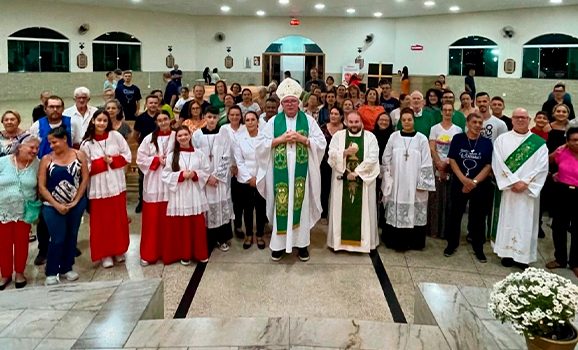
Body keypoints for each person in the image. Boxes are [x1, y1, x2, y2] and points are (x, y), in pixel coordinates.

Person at [256, 78, 327, 261]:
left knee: (300, 207)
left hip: (301, 175)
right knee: (279, 205)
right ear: (282, 103)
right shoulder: (273, 122)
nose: (290, 104)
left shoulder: (309, 121)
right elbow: (261, 145)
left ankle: (302, 245)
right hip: (279, 173)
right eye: (286, 101)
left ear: (299, 103)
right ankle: (278, 245)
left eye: (293, 101)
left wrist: (302, 139)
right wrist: (280, 139)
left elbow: (321, 143)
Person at [492, 108, 549, 269]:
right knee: (508, 220)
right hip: (509, 191)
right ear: (512, 119)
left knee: (526, 222)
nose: (520, 120)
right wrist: (513, 182)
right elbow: (499, 163)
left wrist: (525, 183)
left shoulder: (538, 144)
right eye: (517, 117)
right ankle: (507, 254)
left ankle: (522, 257)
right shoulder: (502, 140)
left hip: (527, 192)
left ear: (529, 119)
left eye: (524, 117)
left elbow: (542, 167)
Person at [29, 96, 82, 266]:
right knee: (45, 215)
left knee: (71, 214)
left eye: (58, 106)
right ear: (45, 109)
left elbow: (76, 145)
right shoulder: (37, 125)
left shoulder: (71, 123)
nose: (55, 110)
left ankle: (70, 245)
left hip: (68, 172)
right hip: (46, 172)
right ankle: (43, 249)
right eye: (51, 107)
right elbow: (33, 149)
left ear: (63, 108)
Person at [80, 110, 131, 268]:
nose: (102, 123)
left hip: (116, 184)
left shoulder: (116, 136)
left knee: (118, 219)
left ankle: (119, 250)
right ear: (93, 121)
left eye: (104, 120)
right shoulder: (87, 144)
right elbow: (84, 167)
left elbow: (127, 155)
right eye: (99, 120)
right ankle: (105, 254)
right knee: (101, 223)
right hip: (98, 187)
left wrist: (113, 160)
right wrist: (101, 163)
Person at [381, 107, 435, 251]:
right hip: (397, 181)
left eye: (409, 119)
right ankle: (395, 242)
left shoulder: (421, 139)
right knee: (396, 209)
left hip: (415, 182)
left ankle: (415, 242)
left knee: (415, 210)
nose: (406, 122)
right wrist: (387, 177)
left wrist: (423, 183)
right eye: (404, 120)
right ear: (400, 122)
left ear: (413, 120)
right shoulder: (394, 137)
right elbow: (386, 158)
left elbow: (426, 161)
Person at [39, 127, 88, 285]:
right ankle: (52, 271)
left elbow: (84, 180)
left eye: (54, 142)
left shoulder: (79, 155)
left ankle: (67, 267)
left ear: (64, 139)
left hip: (76, 204)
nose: (52, 146)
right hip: (52, 206)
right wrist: (56, 204)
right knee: (58, 238)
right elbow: (42, 186)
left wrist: (76, 201)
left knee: (71, 236)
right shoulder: (47, 159)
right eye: (49, 143)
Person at [327, 112, 379, 252]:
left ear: (361, 122)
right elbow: (331, 154)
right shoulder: (338, 136)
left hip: (362, 181)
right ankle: (339, 243)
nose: (354, 125)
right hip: (341, 180)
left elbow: (373, 158)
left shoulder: (370, 137)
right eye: (351, 122)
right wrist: (344, 153)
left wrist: (357, 173)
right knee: (340, 208)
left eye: (357, 122)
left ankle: (364, 243)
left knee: (364, 210)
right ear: (346, 122)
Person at [443, 114, 493, 261]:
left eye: (480, 122)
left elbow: (488, 165)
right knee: (455, 214)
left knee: (478, 217)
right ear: (468, 123)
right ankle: (452, 244)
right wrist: (464, 180)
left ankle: (478, 248)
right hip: (459, 182)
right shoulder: (458, 139)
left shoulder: (487, 142)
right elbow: (452, 160)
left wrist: (474, 182)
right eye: (474, 122)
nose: (477, 125)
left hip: (480, 185)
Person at [161, 126, 210, 265]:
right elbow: (165, 175)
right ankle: (185, 254)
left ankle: (200, 253)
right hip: (180, 195)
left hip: (195, 194)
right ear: (176, 139)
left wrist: (195, 174)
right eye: (180, 136)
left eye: (185, 134)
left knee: (197, 225)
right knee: (182, 227)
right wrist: (181, 175)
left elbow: (206, 170)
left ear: (190, 135)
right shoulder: (172, 156)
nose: (183, 137)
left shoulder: (199, 154)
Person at [0, 134, 40, 290]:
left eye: (37, 148)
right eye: (31, 147)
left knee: (22, 243)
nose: (35, 151)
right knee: (3, 244)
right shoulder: (3, 162)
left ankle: (20, 273)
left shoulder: (38, 163)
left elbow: (40, 185)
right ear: (20, 147)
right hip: (2, 210)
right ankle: (5, 274)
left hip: (25, 211)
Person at [192, 106, 234, 252]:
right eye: (209, 117)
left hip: (219, 181)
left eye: (214, 117)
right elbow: (194, 157)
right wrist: (206, 177)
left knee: (221, 208)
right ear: (204, 117)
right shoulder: (197, 135)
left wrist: (216, 176)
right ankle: (208, 240)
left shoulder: (224, 134)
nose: (212, 120)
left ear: (218, 118)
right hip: (204, 181)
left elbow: (227, 156)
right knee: (206, 209)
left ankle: (222, 239)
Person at [136, 112, 174, 266]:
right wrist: (157, 159)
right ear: (156, 122)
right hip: (154, 182)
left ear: (170, 120)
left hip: (171, 183)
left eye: (165, 119)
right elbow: (140, 159)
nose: (163, 122)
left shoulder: (177, 136)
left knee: (170, 221)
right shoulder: (148, 139)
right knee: (152, 221)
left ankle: (170, 253)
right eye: (159, 120)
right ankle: (149, 253)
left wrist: (170, 161)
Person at [545, 127, 578, 277]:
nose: (577, 143)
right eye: (574, 140)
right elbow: (546, 161)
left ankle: (575, 262)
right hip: (562, 192)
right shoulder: (562, 152)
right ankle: (560, 259)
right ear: (568, 141)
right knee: (559, 226)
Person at [428, 102, 463, 238]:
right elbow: (432, 147)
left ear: (453, 112)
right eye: (445, 110)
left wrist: (447, 164)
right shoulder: (435, 128)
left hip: (452, 167)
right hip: (437, 166)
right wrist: (438, 163)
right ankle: (434, 230)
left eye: (450, 110)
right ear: (441, 112)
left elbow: (457, 150)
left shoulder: (458, 130)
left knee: (450, 200)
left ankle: (447, 231)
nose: (447, 112)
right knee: (436, 199)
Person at [233, 111, 267, 249]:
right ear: (244, 122)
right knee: (247, 209)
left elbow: (266, 159)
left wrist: (257, 178)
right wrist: (249, 178)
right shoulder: (239, 138)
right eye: (247, 120)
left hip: (261, 178)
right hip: (244, 179)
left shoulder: (264, 137)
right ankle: (248, 234)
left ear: (258, 121)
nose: (250, 122)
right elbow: (239, 161)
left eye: (253, 119)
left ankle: (259, 234)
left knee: (260, 208)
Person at [221, 106, 246, 238]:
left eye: (237, 115)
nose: (235, 117)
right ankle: (227, 225)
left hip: (243, 169)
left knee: (239, 199)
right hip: (227, 169)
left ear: (241, 116)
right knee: (227, 198)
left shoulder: (244, 128)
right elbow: (221, 149)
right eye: (232, 115)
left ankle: (238, 225)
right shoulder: (224, 129)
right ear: (228, 116)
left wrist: (239, 166)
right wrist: (231, 165)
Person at [134, 95, 161, 213]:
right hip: (146, 153)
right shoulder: (141, 118)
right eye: (151, 103)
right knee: (143, 177)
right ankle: (142, 200)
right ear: (146, 104)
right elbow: (135, 135)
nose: (153, 105)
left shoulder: (162, 116)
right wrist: (143, 146)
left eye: (155, 103)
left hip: (161, 152)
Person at [320, 106, 345, 223]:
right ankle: (323, 213)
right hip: (324, 163)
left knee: (339, 188)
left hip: (340, 163)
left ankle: (337, 214)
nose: (333, 116)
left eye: (336, 114)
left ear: (341, 116)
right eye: (332, 113)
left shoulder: (345, 129)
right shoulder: (323, 128)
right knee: (324, 189)